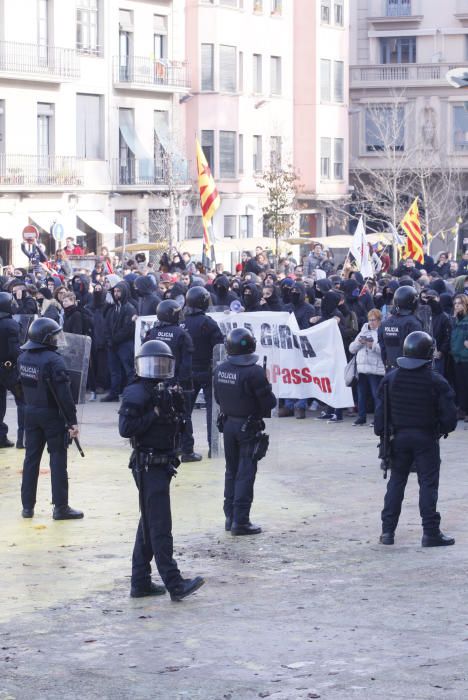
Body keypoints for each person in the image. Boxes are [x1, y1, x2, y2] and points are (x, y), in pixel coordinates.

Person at [118, 340, 205, 601]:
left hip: (161, 464)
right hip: (148, 465)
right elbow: (125, 429)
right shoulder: (137, 392)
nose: (157, 369)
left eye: (162, 363)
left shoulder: (163, 389)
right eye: (153, 363)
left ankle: (141, 581)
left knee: (149, 522)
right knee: (159, 527)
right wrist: (154, 414)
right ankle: (175, 584)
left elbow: (178, 422)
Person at [375, 331, 457, 547]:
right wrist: (439, 429)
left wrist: (385, 436)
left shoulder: (390, 379)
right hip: (426, 438)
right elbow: (449, 419)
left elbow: (379, 419)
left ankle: (387, 532)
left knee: (396, 482)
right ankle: (430, 533)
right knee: (428, 485)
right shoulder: (436, 381)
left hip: (398, 438)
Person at [17, 318, 83, 520]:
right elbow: (64, 395)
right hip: (52, 415)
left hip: (30, 412)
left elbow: (20, 385)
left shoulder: (23, 357)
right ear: (46, 338)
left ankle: (27, 507)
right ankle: (60, 507)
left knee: (31, 459)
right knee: (57, 459)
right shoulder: (54, 360)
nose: (57, 339)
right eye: (54, 336)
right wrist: (72, 421)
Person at [214, 327, 277, 536]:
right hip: (248, 427)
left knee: (231, 471)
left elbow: (217, 399)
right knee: (245, 473)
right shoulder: (254, 371)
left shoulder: (220, 369)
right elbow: (269, 402)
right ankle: (240, 521)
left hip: (229, 425)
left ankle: (230, 516)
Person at [145, 300, 201, 462]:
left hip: (155, 382)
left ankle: (171, 446)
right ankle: (187, 451)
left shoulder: (152, 332)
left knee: (161, 416)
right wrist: (181, 383)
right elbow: (186, 364)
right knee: (183, 416)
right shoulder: (182, 334)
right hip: (176, 383)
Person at [182, 286, 224, 458]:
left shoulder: (181, 322)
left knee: (184, 412)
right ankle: (213, 447)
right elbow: (220, 349)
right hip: (207, 371)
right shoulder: (208, 323)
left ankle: (184, 447)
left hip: (186, 372)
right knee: (212, 411)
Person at [348, 309, 385, 426]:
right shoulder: (363, 330)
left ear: (379, 320)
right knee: (361, 394)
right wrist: (359, 342)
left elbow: (384, 350)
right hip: (362, 368)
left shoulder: (382, 331)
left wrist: (372, 345)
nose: (371, 322)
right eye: (369, 320)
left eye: (373, 320)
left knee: (376, 395)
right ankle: (361, 417)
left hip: (375, 369)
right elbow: (351, 348)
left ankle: (378, 419)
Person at [101, 281, 135, 402]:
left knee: (129, 371)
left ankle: (131, 394)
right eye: (115, 291)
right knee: (114, 370)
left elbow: (128, 328)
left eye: (118, 291)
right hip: (113, 344)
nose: (116, 293)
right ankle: (114, 393)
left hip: (125, 344)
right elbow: (107, 326)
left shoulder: (129, 308)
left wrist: (114, 340)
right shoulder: (113, 308)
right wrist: (109, 340)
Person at [378, 285, 423, 371]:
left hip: (390, 369)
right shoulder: (413, 323)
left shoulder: (385, 323)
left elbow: (383, 349)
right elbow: (417, 351)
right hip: (409, 370)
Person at [0, 292, 24, 448]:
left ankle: (1, 438)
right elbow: (15, 351)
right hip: (10, 370)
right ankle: (23, 438)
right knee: (23, 401)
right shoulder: (11, 324)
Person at [450, 294, 468, 421]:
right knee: (460, 386)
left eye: (460, 303)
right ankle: (462, 409)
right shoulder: (454, 320)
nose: (457, 305)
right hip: (456, 358)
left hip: (466, 358)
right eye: (455, 303)